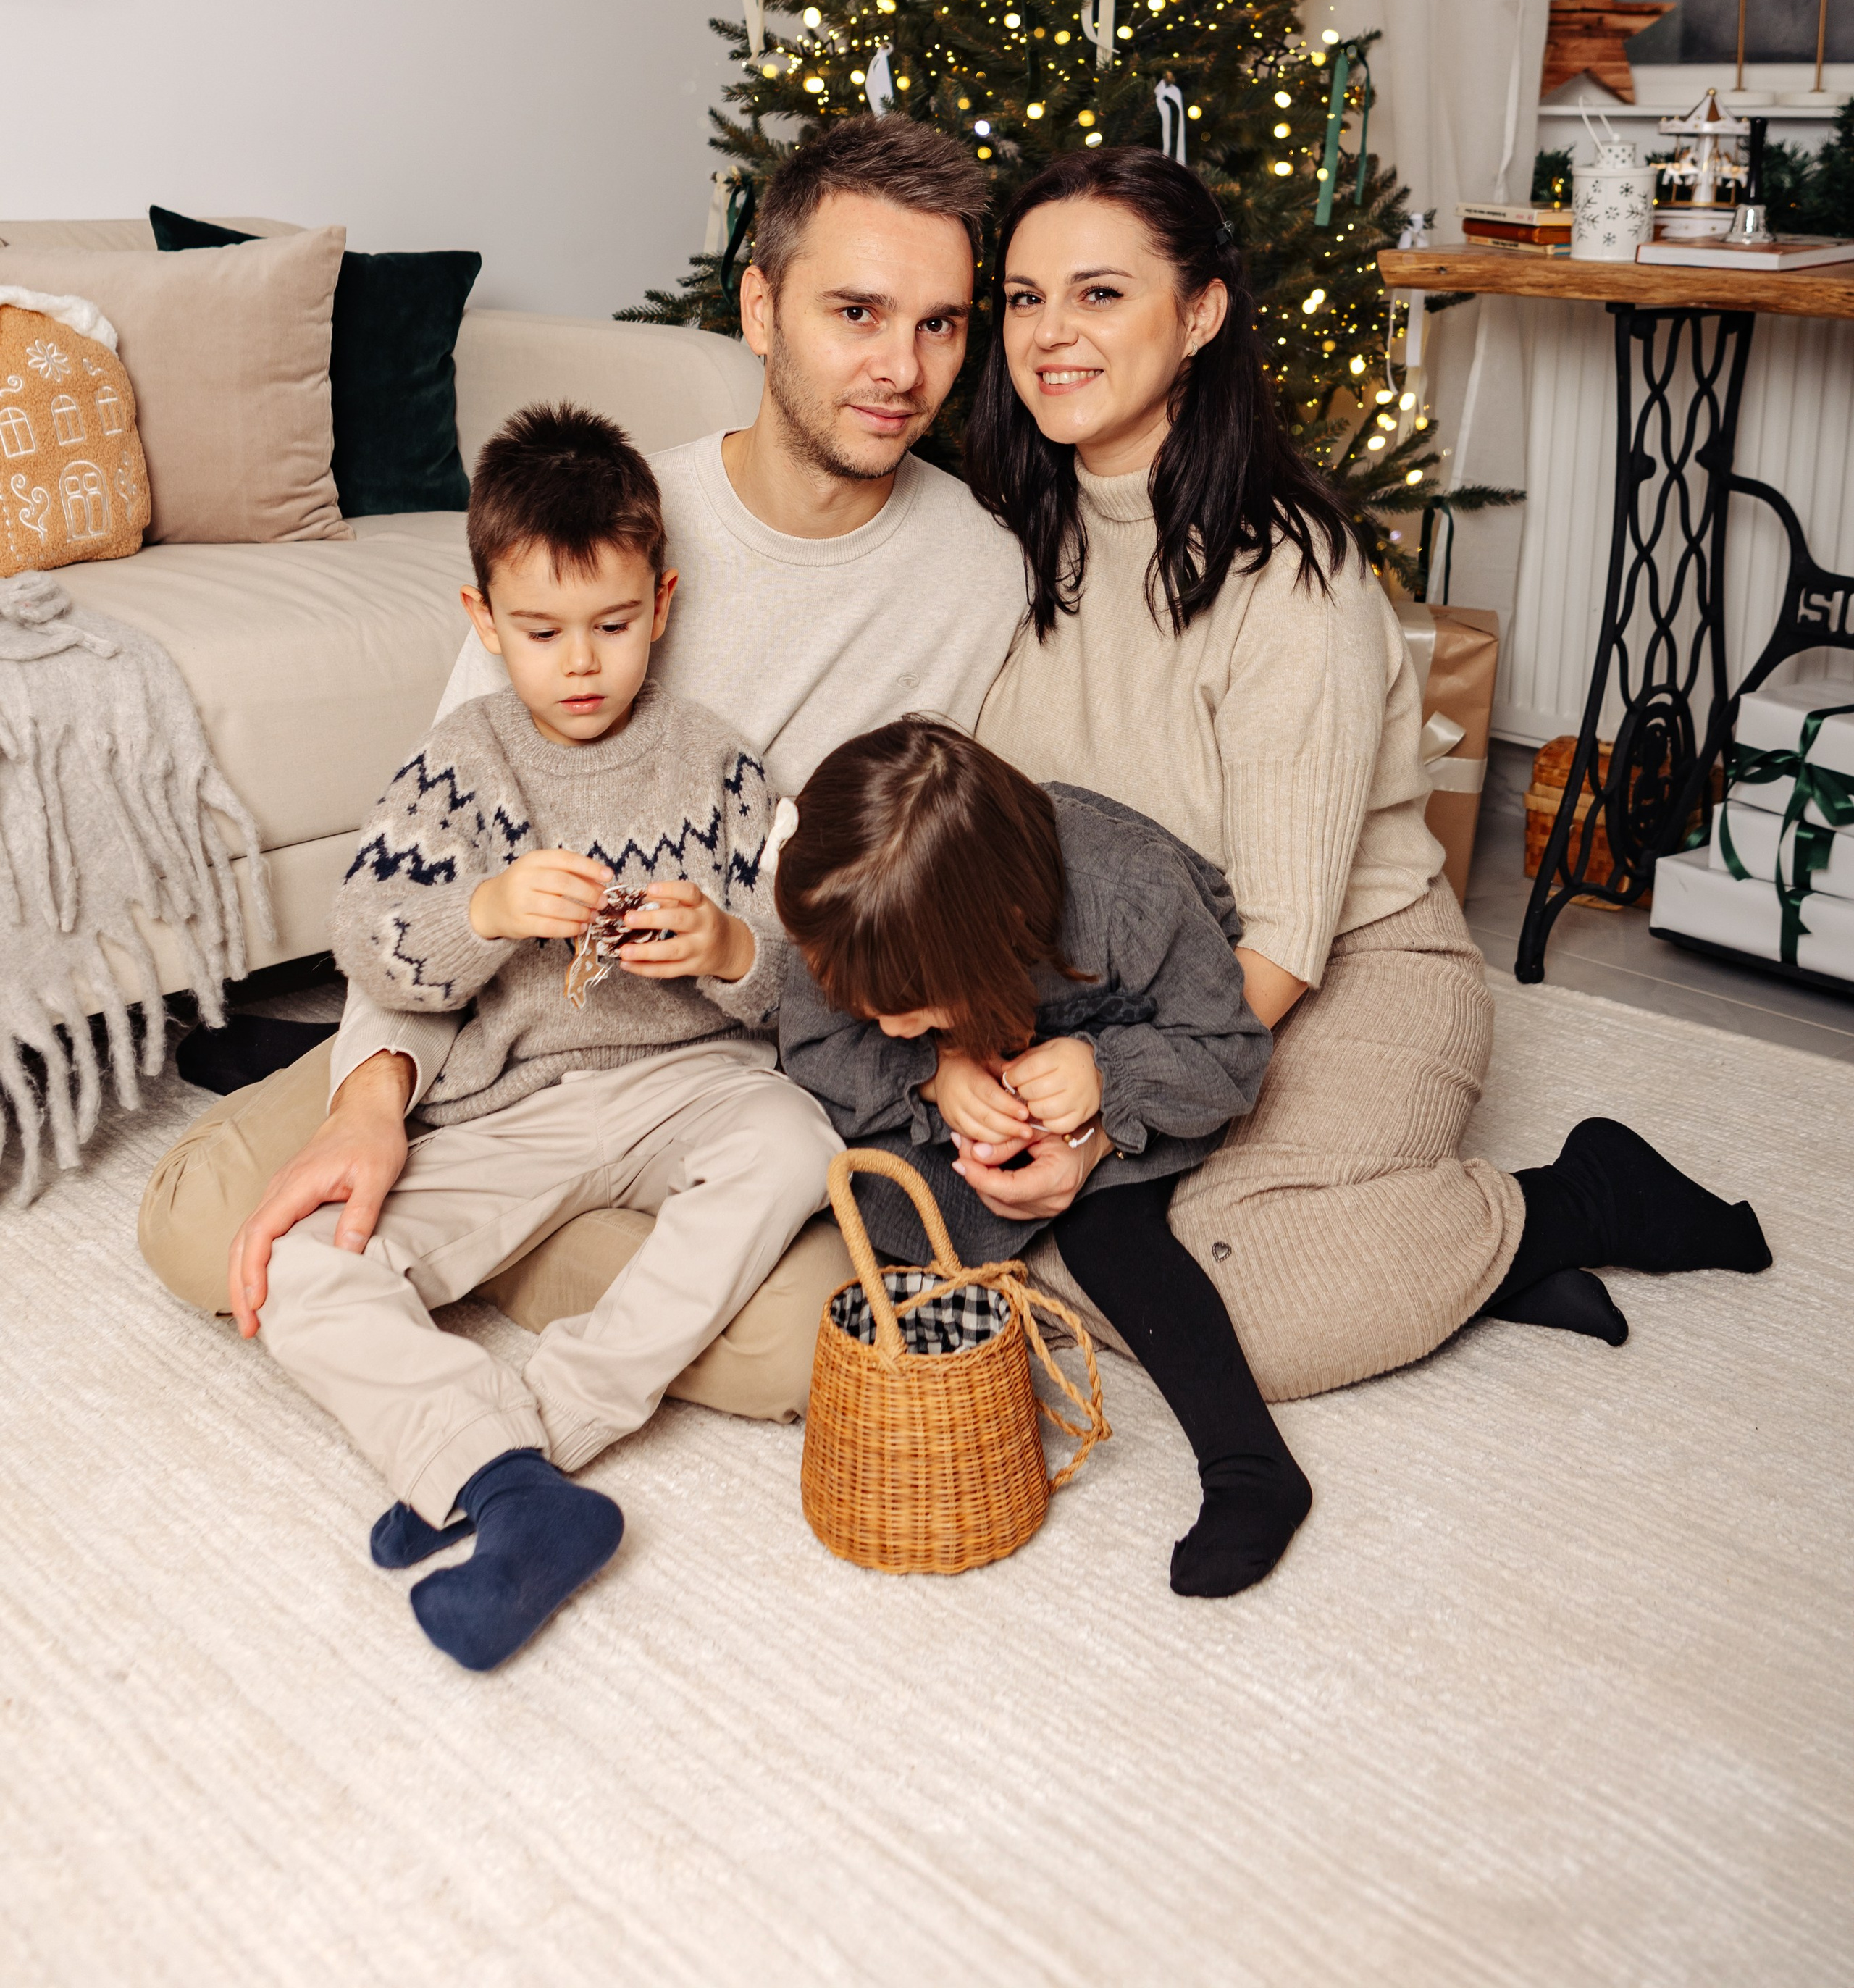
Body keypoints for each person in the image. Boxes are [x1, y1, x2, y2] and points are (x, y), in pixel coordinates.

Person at [138, 116, 1028, 1419]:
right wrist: (373, 1095)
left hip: (724, 1066)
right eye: (857, 312)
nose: (902, 368)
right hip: (500, 1031)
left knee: (806, 1349)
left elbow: (938, 880)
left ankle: (505, 1240)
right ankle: (516, 1216)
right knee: (202, 1231)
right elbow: (438, 837)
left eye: (941, 324)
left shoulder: (979, 575)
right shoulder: (603, 527)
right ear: (761, 309)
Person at [961, 148, 1771, 1397]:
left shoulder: (1289, 576)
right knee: (1019, 1220)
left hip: (1344, 969)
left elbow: (1285, 946)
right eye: (1025, 298)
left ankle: (1577, 1200)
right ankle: (1477, 1261)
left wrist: (1108, 1107)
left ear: (1201, 314)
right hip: (1135, 982)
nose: (1049, 333)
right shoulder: (1016, 537)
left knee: (1245, 1307)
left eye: (1100, 294)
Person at [251, 402, 842, 1669]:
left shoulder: (722, 768)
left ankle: (512, 1451)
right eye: (541, 632)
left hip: (693, 1084)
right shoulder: (462, 764)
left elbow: (816, 981)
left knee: (799, 1144)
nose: (581, 664)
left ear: (663, 604)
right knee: (302, 1267)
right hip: (510, 1105)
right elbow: (368, 937)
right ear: (483, 620)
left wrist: (729, 950)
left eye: (613, 626)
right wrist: (487, 910)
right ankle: (510, 1485)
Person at [776, 716, 1312, 1598]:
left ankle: (1249, 1464)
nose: (889, 1024)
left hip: (1130, 1041)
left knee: (1112, 1234)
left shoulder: (1130, 896)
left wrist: (1102, 1084)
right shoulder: (855, 910)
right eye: (867, 1007)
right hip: (983, 1070)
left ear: (999, 940)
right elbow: (810, 1043)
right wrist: (934, 1069)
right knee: (876, 1195)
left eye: (909, 1008)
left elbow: (1230, 1049)